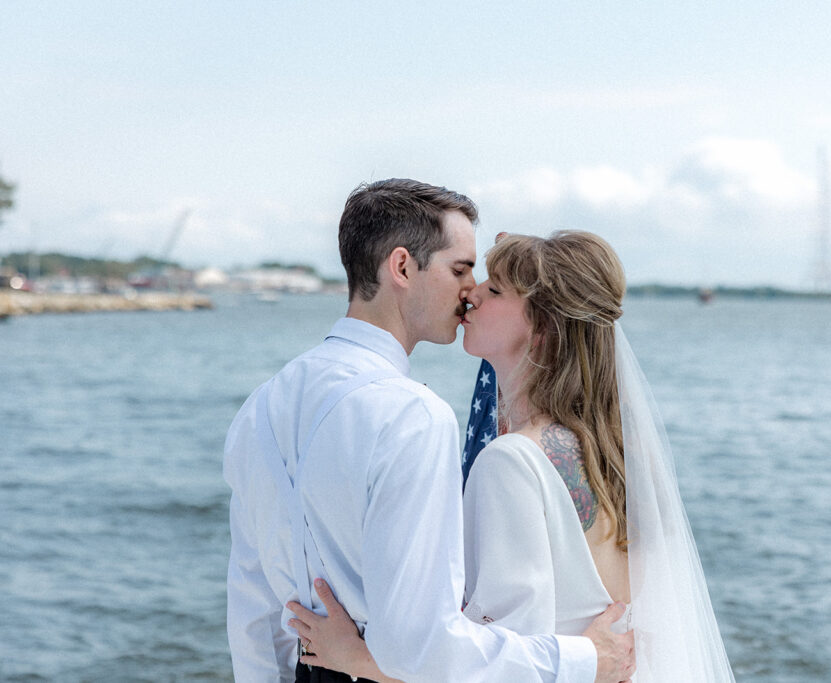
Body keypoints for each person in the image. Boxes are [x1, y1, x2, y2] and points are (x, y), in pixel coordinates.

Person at [224, 180, 636, 683]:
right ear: (401, 267)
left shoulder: (259, 408)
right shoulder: (412, 416)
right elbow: (422, 644)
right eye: (460, 269)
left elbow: (254, 611)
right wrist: (584, 660)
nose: (471, 290)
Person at [289, 231, 736, 681]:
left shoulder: (512, 463)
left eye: (495, 289)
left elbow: (503, 670)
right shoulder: (616, 455)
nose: (472, 293)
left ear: (541, 329)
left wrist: (355, 658)